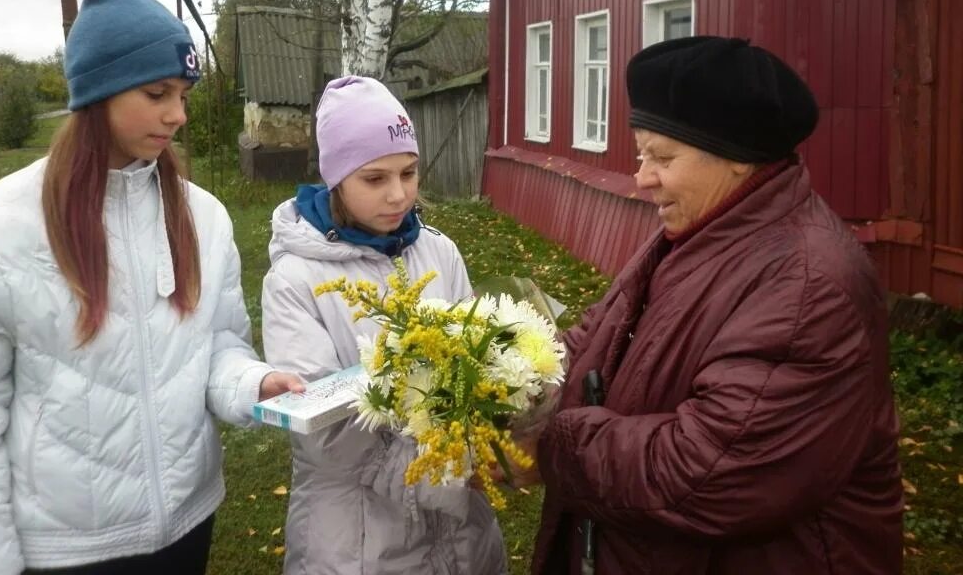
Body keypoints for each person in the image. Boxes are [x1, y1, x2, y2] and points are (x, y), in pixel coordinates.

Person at [0, 0, 303, 575]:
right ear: (98, 92)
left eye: (183, 94)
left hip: (188, 527)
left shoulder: (203, 217)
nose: (178, 114)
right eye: (157, 93)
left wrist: (252, 383)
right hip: (64, 550)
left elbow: (218, 343)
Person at [522, 36, 903, 574]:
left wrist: (550, 448)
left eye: (662, 157)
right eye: (641, 153)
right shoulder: (702, 231)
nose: (642, 177)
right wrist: (509, 376)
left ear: (739, 159)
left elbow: (709, 472)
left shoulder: (807, 286)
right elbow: (601, 336)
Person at [261, 75, 508, 574]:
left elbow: (478, 360)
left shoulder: (439, 251)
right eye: (375, 179)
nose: (398, 195)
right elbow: (326, 433)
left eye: (409, 173)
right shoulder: (296, 279)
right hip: (359, 539)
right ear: (337, 179)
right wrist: (448, 470)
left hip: (463, 534)